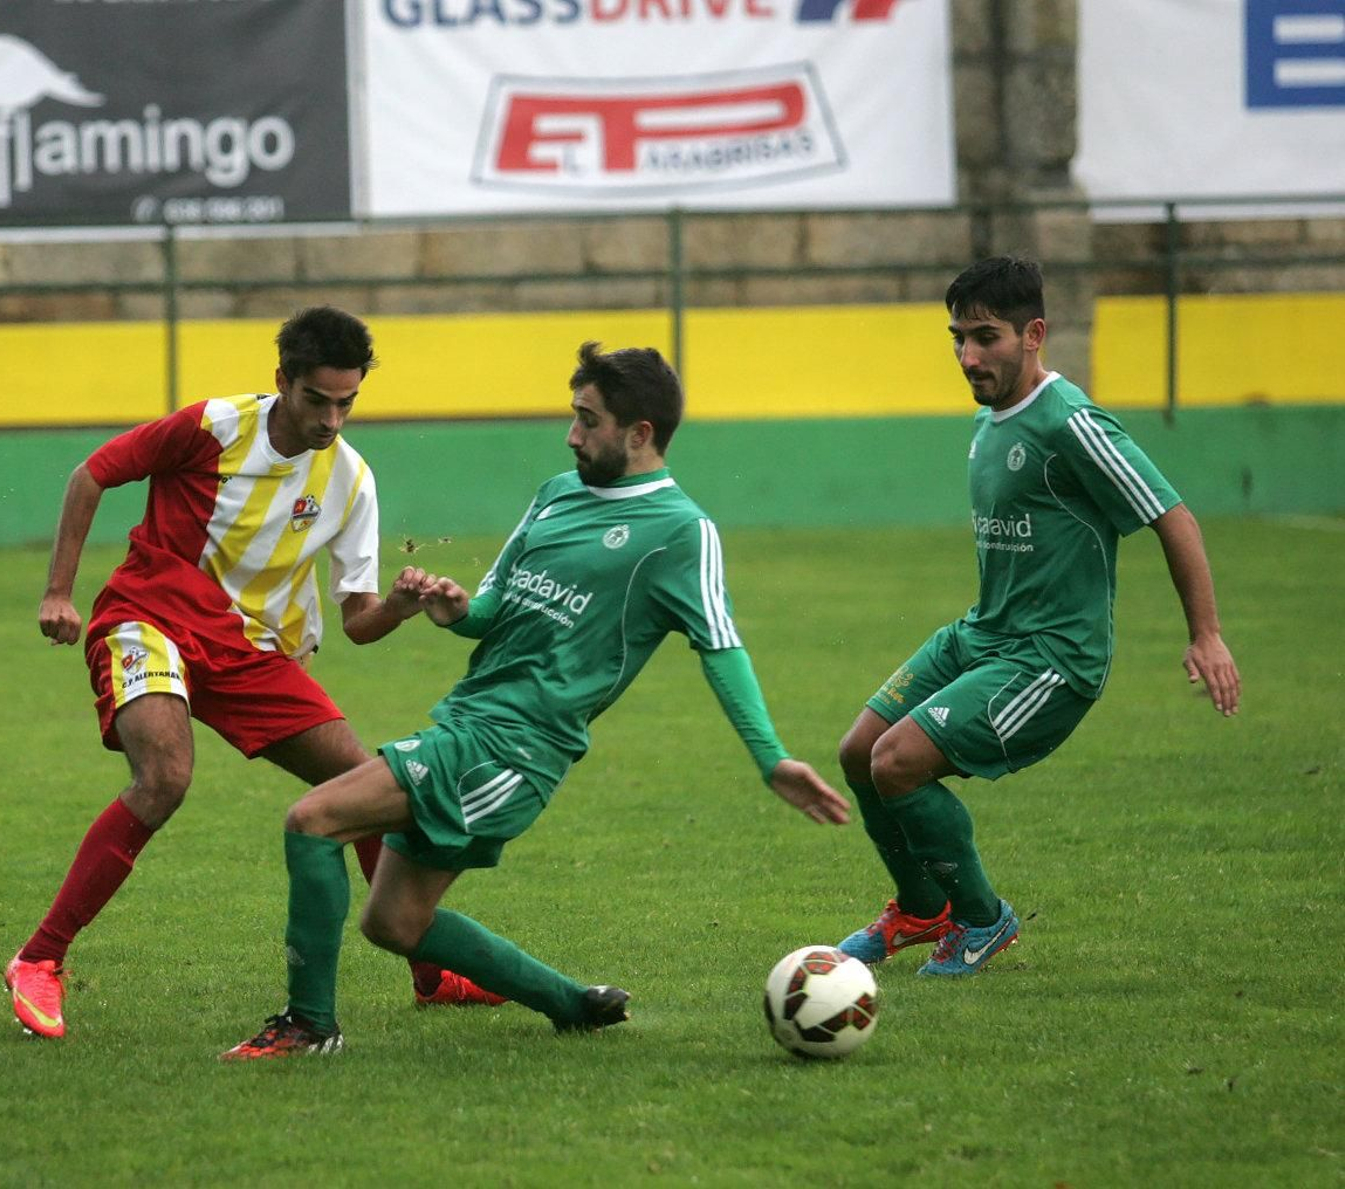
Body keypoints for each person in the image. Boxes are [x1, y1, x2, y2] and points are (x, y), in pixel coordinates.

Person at [219, 340, 852, 1059]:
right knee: (393, 922)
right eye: (574, 416)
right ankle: (571, 1004)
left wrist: (771, 757)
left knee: (312, 819)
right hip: (470, 717)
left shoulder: (680, 531)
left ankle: (308, 1025)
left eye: (588, 420)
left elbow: (721, 644)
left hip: (517, 747)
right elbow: (492, 611)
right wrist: (457, 608)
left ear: (640, 433)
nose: (572, 434)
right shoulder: (556, 494)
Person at [4, 306, 500, 1040]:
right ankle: (39, 959)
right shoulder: (215, 426)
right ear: (282, 382)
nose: (332, 419)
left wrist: (396, 605)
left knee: (367, 783)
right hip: (150, 615)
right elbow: (91, 475)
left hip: (246, 651)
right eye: (317, 400)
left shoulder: (351, 479)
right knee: (165, 777)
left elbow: (359, 619)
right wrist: (56, 592)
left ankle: (429, 971)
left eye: (347, 402)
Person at [835, 255, 1242, 976]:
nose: (968, 355)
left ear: (1034, 334)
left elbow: (1172, 516)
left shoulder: (1070, 422)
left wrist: (1205, 634)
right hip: (980, 635)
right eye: (958, 337)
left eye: (985, 337)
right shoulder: (990, 420)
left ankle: (984, 919)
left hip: (1051, 659)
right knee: (858, 751)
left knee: (896, 763)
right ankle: (923, 909)